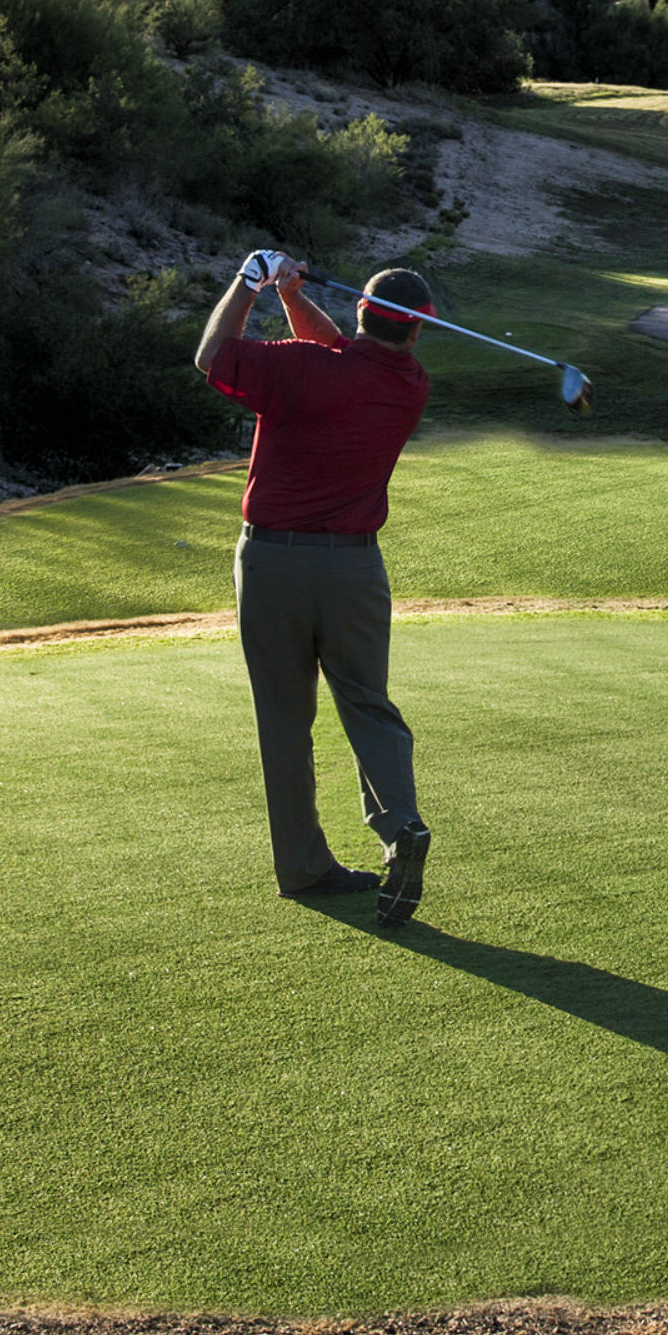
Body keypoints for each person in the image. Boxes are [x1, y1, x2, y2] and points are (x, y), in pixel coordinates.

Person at [194, 251, 437, 925]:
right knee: (367, 703)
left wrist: (253, 283)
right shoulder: (409, 383)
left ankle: (303, 866)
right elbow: (342, 352)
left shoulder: (299, 368)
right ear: (416, 331)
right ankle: (400, 826)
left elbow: (213, 357)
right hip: (355, 570)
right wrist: (294, 298)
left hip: (273, 562)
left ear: (361, 311)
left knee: (284, 717)